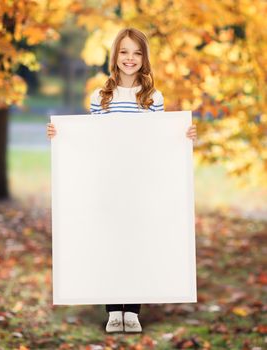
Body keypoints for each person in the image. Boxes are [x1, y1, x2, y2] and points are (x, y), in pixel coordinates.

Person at [47, 27, 197, 333]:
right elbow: (93, 141)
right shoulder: (100, 96)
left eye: (137, 52)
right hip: (108, 182)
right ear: (115, 56)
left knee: (137, 239)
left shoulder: (153, 97)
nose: (130, 58)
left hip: (141, 183)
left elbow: (157, 140)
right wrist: (61, 137)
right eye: (124, 52)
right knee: (110, 240)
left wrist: (182, 136)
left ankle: (134, 311)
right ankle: (114, 309)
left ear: (145, 58)